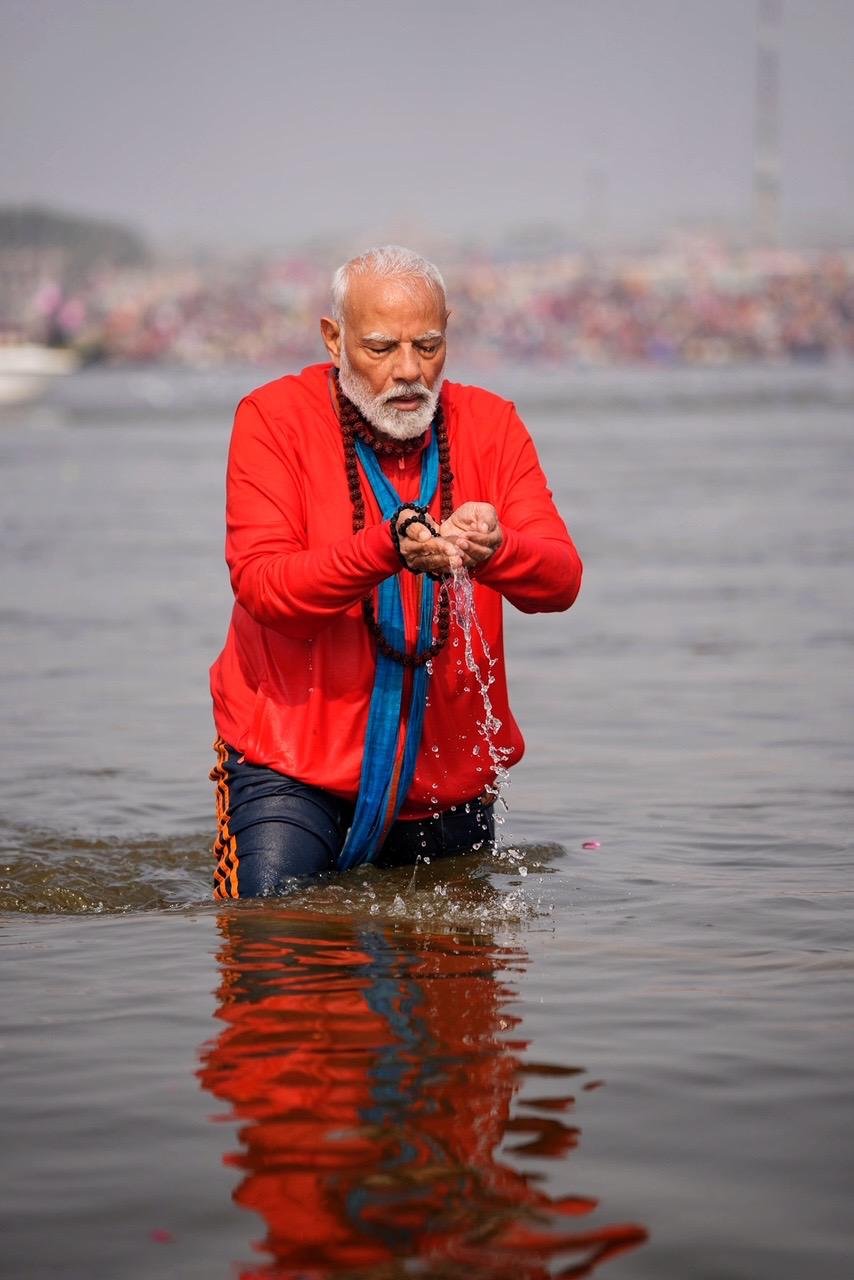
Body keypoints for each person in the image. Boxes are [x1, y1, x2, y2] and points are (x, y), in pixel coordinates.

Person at [209, 245, 582, 898]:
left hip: (447, 778)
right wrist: (387, 547)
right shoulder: (272, 419)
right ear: (334, 338)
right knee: (271, 946)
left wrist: (497, 550)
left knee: (458, 984)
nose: (409, 371)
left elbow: (561, 581)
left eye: (428, 346)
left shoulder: (492, 424)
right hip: (290, 771)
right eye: (381, 349)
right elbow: (267, 590)